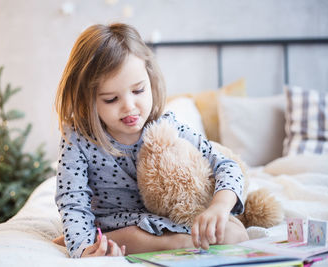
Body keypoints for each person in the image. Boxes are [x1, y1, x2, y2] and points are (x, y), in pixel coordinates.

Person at [53, 23, 248, 258]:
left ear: (151, 80)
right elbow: (73, 201)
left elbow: (226, 166)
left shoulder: (165, 125)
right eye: (111, 99)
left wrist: (219, 206)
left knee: (236, 235)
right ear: (87, 100)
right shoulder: (78, 139)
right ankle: (113, 241)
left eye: (138, 91)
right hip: (120, 227)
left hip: (164, 221)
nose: (129, 106)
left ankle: (175, 242)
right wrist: (83, 249)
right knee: (145, 240)